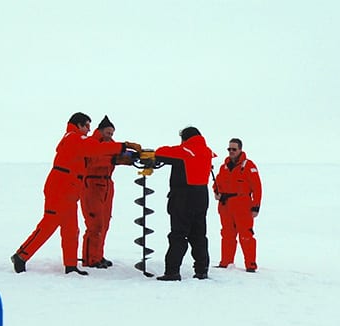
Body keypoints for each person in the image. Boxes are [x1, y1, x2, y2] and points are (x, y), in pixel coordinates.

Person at [12, 113, 142, 275]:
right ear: (79, 125)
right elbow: (96, 149)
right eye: (87, 126)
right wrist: (124, 145)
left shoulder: (78, 142)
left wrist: (117, 160)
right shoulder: (73, 138)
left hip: (70, 191)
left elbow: (93, 159)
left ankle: (71, 265)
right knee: (49, 224)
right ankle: (21, 255)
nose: (89, 129)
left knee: (71, 229)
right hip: (60, 189)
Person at [151, 126, 215, 281]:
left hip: (183, 197)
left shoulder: (186, 151)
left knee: (178, 235)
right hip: (202, 196)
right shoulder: (207, 151)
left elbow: (160, 152)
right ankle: (202, 269)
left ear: (185, 139)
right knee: (199, 235)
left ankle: (172, 271)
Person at [80, 115, 136, 269]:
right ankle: (89, 259)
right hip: (92, 184)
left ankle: (98, 255)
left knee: (104, 223)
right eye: (107, 132)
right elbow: (92, 161)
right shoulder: (91, 144)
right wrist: (114, 160)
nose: (110, 135)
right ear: (100, 131)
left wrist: (130, 158)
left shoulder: (111, 145)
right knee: (94, 223)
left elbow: (115, 158)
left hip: (107, 185)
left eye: (112, 133)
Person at [213, 137, 263, 272]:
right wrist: (216, 192)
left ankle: (250, 265)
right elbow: (216, 184)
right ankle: (226, 262)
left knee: (246, 235)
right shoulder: (224, 167)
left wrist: (256, 206)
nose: (231, 151)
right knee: (227, 234)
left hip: (242, 205)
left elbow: (257, 188)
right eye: (229, 149)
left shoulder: (248, 166)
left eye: (234, 149)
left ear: (240, 149)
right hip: (225, 206)